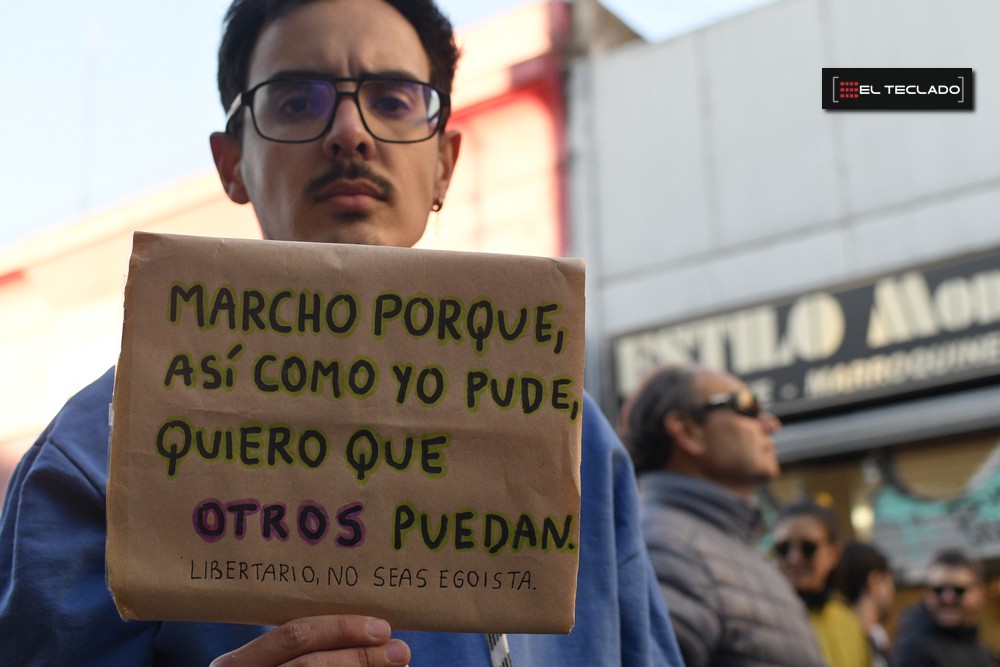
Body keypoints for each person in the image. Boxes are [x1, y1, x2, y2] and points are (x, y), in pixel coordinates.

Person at [0, 1, 685, 666]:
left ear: (443, 162)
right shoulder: (94, 458)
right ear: (232, 162)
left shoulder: (577, 441)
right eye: (297, 100)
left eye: (392, 100)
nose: (350, 132)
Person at [622, 363, 827, 667]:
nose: (771, 424)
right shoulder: (669, 547)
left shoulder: (709, 546)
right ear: (687, 431)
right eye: (747, 406)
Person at [773, 500, 872, 667]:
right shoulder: (763, 618)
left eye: (808, 548)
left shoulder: (848, 621)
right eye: (783, 549)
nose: (794, 559)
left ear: (834, 554)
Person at [891, 548, 996, 667]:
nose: (948, 599)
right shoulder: (913, 651)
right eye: (938, 590)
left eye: (958, 590)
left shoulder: (981, 651)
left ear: (980, 594)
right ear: (927, 594)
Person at [836, 540, 896, 666]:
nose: (892, 591)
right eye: (889, 581)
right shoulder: (856, 644)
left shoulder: (877, 636)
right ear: (873, 582)